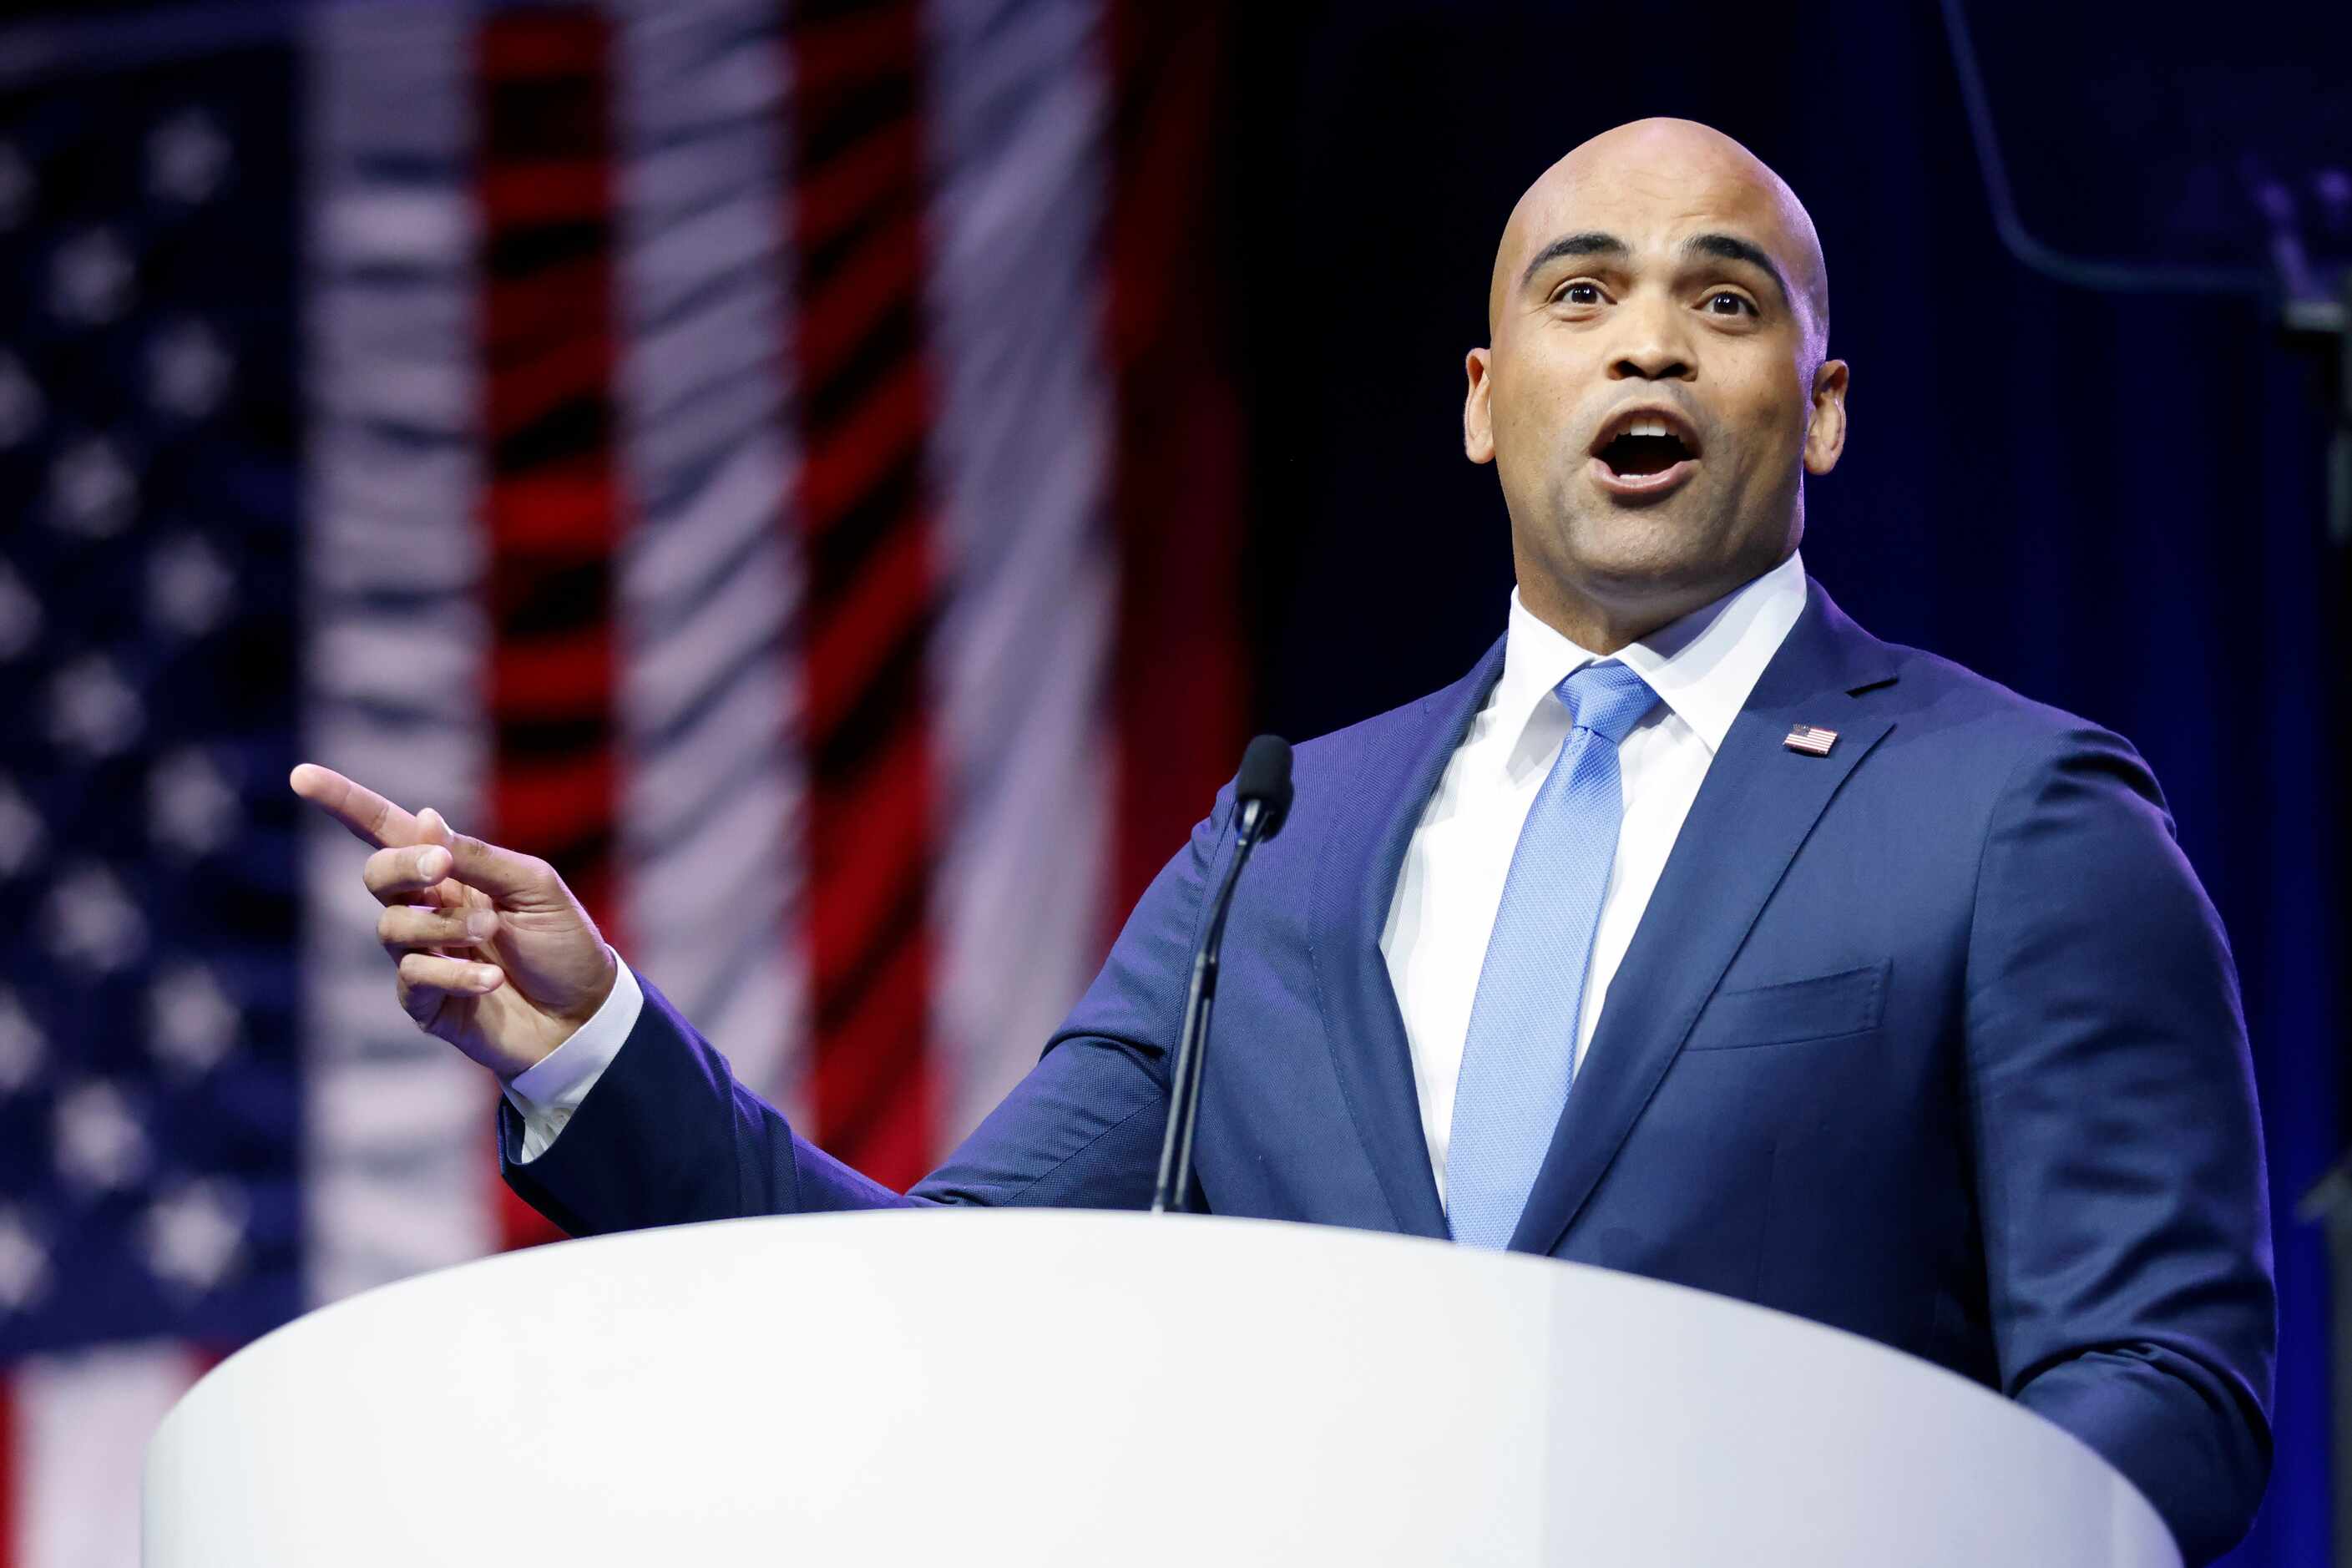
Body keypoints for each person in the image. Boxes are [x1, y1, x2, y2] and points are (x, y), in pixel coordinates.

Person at [291, 118, 2273, 1563]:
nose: (1649, 344)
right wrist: (596, 1046)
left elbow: (2158, 1378)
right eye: (1582, 295)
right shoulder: (1277, 842)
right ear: (1490, 407)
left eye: (1723, 303)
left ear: (1816, 410)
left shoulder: (2009, 813)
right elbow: (938, 1303)